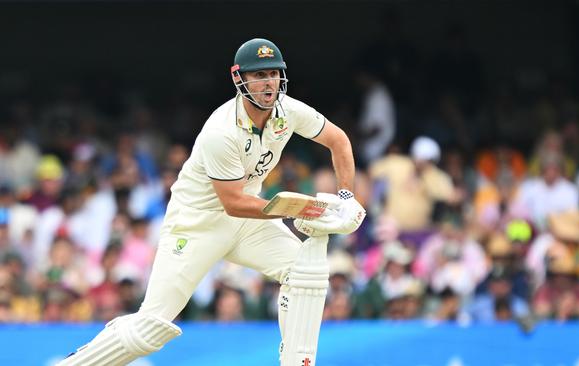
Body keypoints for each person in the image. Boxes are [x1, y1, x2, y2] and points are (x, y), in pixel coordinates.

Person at [58, 38, 365, 366]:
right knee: (149, 329)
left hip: (247, 220)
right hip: (197, 224)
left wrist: (345, 197)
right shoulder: (222, 131)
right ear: (240, 78)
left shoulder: (288, 111)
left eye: (274, 73)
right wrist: (303, 208)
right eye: (259, 75)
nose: (269, 82)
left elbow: (338, 140)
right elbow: (233, 202)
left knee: (304, 272)